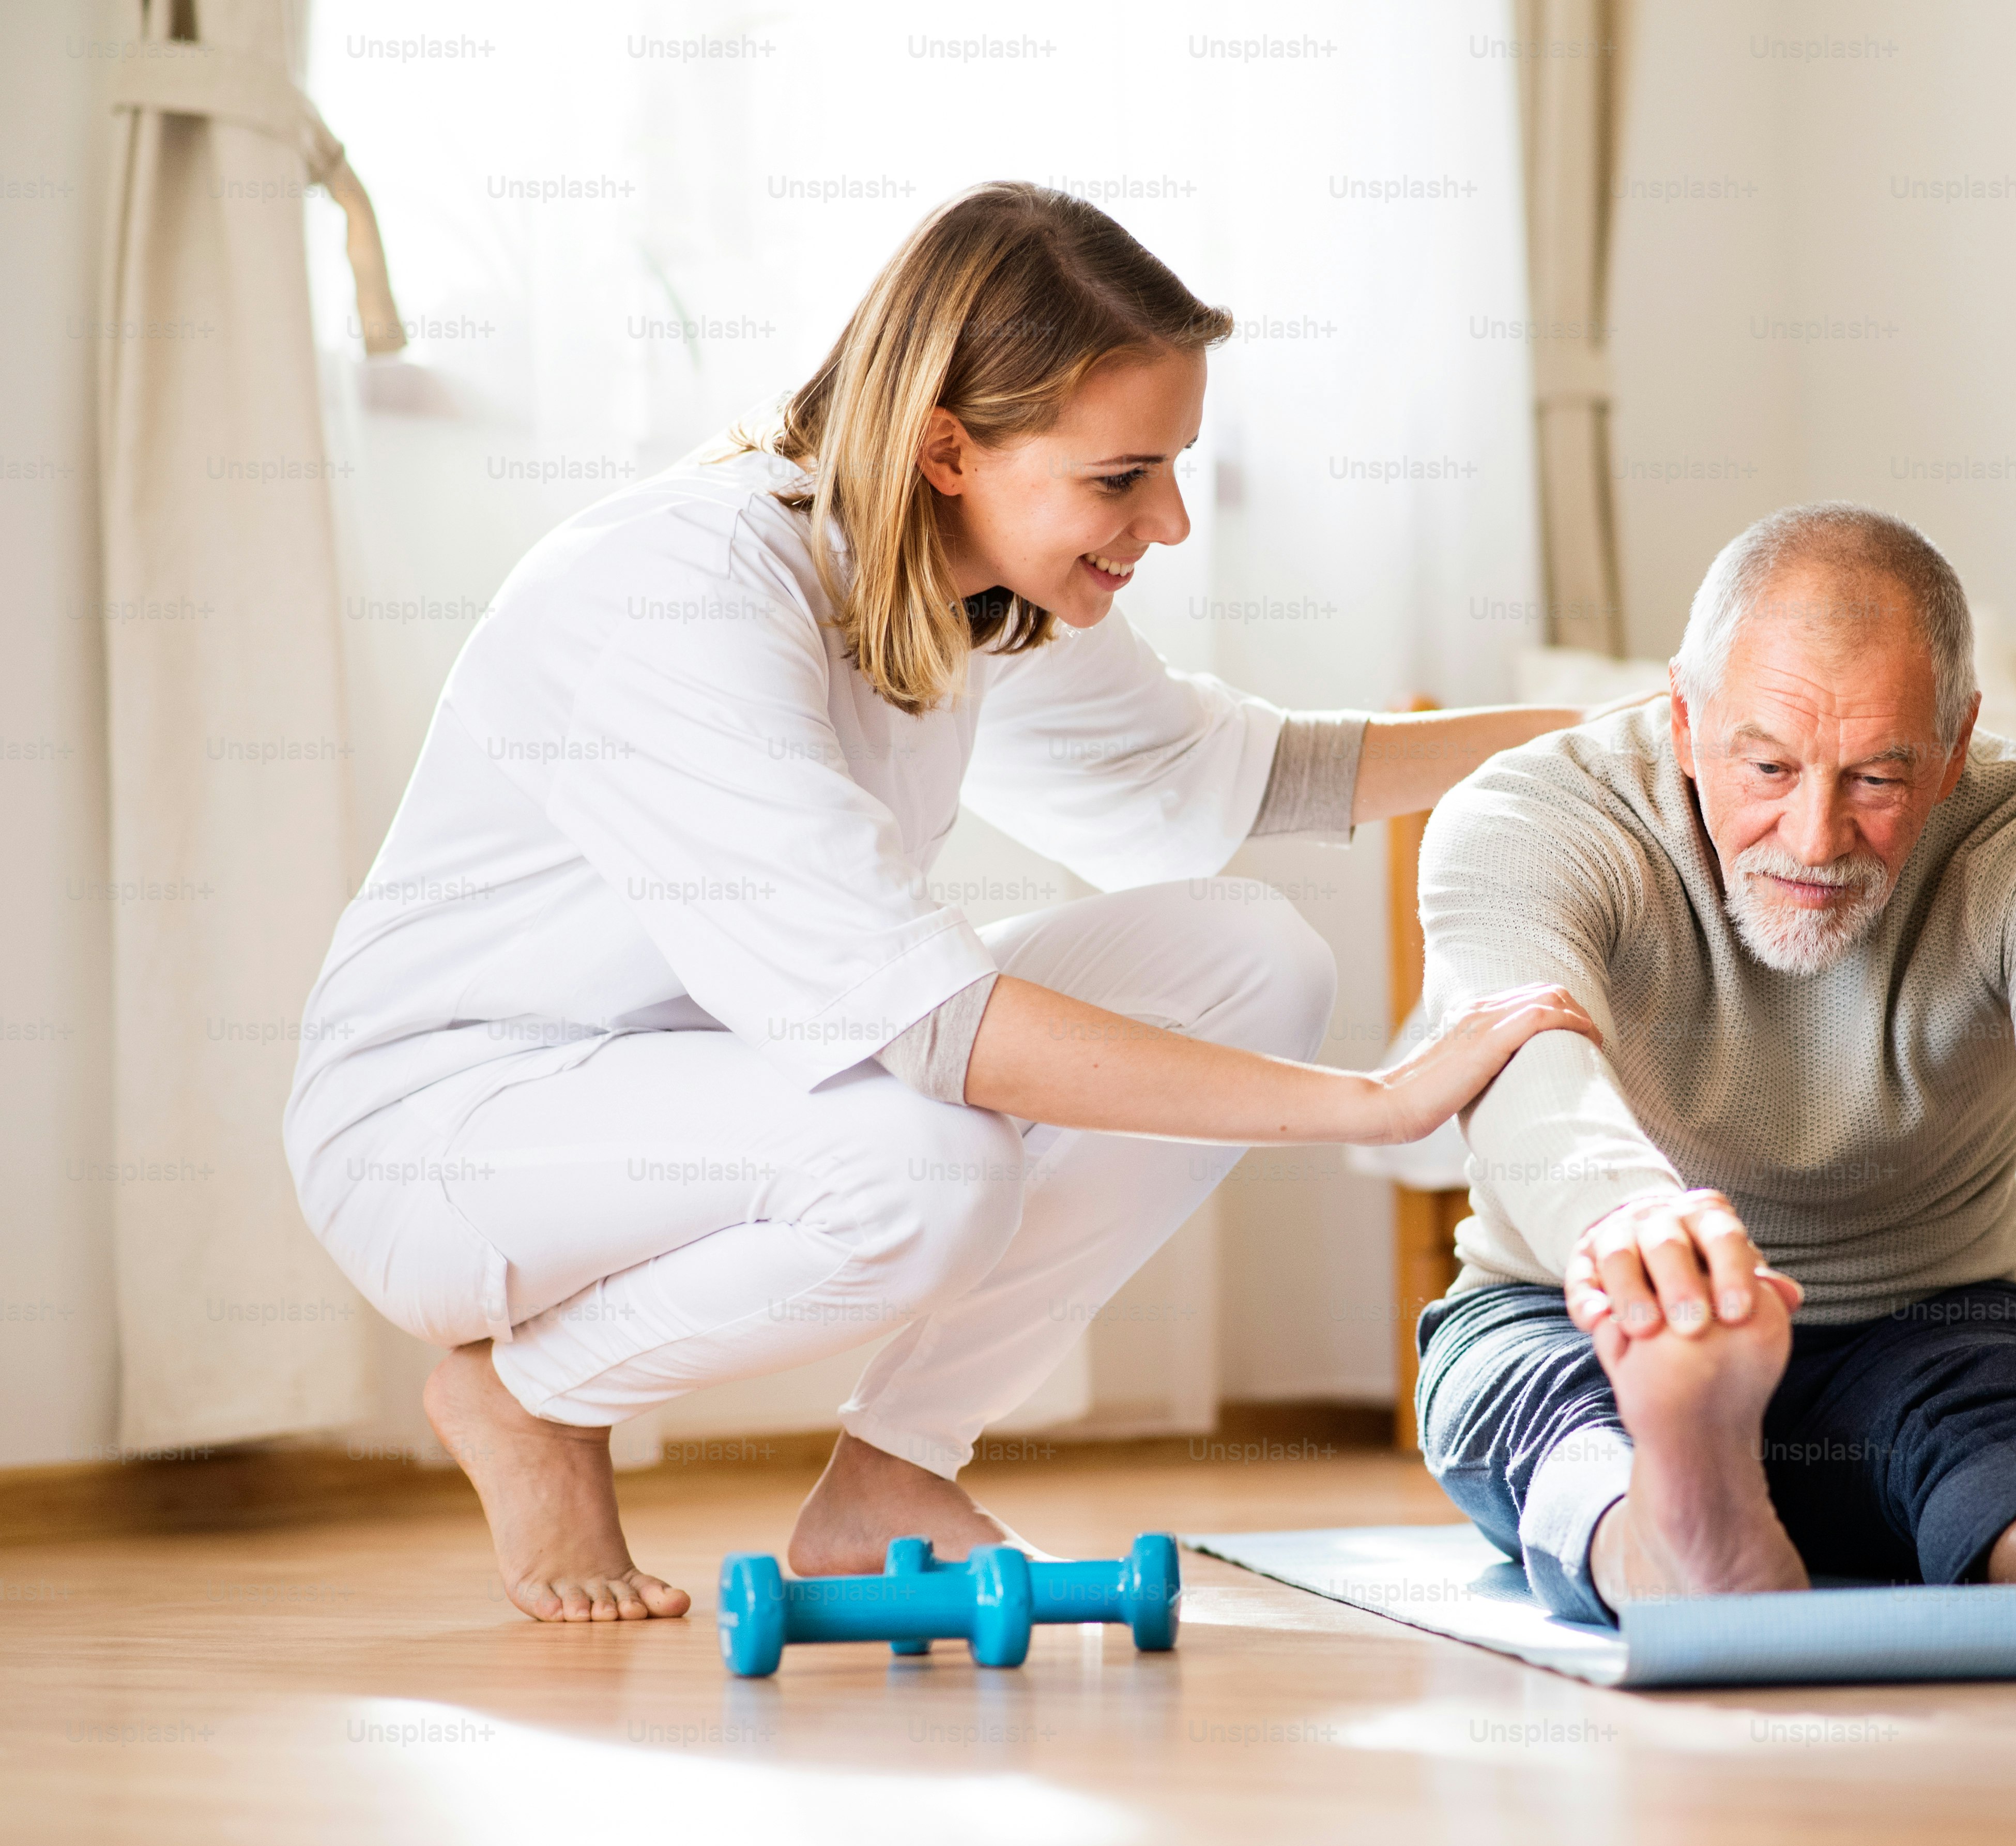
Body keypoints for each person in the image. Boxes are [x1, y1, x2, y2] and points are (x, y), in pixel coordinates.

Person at [284, 182, 1601, 1623]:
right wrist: (1374, 1103)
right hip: (452, 1128)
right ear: (946, 446)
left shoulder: (962, 573)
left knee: (1245, 956)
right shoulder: (681, 593)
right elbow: (921, 1022)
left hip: (703, 1076)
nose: (1163, 519)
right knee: (925, 1169)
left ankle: (890, 1474)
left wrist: (1627, 734)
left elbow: (1235, 772)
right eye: (1119, 478)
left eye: (1173, 468)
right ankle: (531, 1398)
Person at [1412, 502, 2016, 1622]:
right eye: (1766, 766)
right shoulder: (1527, 817)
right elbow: (1531, 1078)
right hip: (1582, 1315)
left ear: (1958, 743)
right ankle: (1664, 1534)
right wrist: (1636, 1238)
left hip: (1928, 1325)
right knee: (1560, 1429)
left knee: (1986, 1423)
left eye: (1877, 780)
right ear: (1682, 716)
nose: (1814, 839)